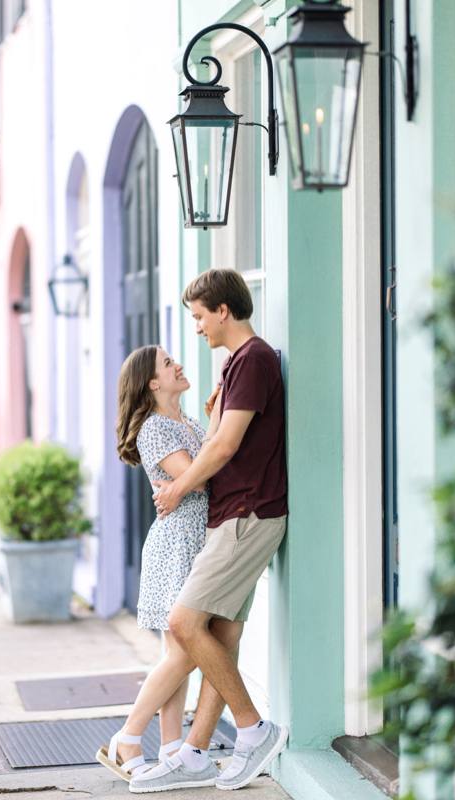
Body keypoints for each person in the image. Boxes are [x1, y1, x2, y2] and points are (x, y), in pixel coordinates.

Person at [129, 269, 289, 794]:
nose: (196, 327)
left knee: (183, 624)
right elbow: (222, 438)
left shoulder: (253, 359)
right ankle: (194, 753)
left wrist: (176, 491)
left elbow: (220, 450)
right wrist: (216, 413)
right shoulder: (237, 365)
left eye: (199, 315)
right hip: (232, 514)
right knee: (220, 635)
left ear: (223, 310)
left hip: (247, 513)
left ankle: (252, 728)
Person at [97, 345, 217, 782]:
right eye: (168, 364)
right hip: (179, 542)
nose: (178, 365)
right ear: (152, 383)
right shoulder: (154, 429)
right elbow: (200, 475)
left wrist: (217, 421)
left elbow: (205, 464)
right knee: (186, 650)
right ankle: (128, 735)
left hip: (194, 539)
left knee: (178, 651)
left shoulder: (187, 421)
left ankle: (170, 748)